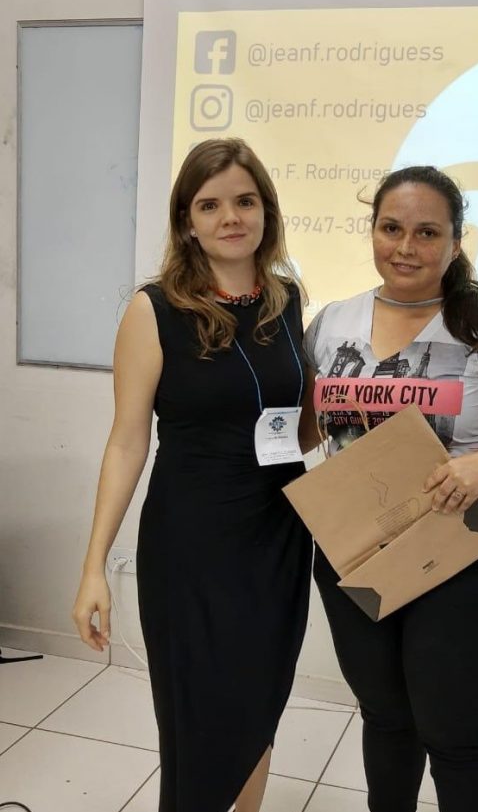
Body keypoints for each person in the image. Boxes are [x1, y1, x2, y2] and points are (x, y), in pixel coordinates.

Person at [304, 165, 478, 812]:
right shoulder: (332, 322)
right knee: (386, 717)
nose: (406, 247)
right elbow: (307, 428)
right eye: (391, 228)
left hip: (468, 552)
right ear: (372, 231)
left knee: (455, 734)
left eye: (426, 232)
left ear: (454, 241)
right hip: (359, 548)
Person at [72, 138, 316, 812]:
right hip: (193, 542)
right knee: (200, 709)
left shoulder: (288, 302)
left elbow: (297, 427)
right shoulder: (153, 310)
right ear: (187, 221)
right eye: (210, 205)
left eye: (245, 201)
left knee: (261, 698)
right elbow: (127, 442)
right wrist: (94, 566)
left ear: (267, 211)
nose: (230, 217)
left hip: (279, 535)